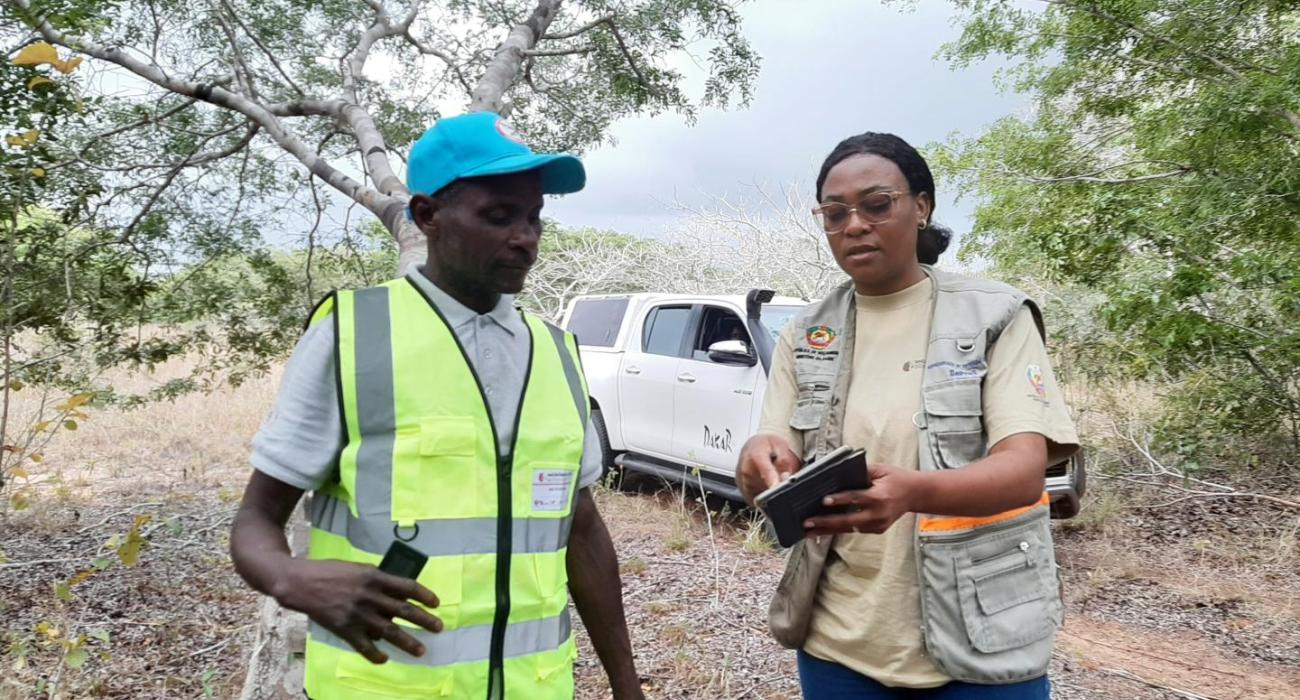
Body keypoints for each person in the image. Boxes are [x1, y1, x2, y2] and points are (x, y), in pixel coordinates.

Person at [230, 112, 644, 700]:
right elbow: (255, 522)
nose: (524, 237)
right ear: (428, 217)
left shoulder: (558, 353)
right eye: (498, 216)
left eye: (533, 218)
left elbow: (581, 530)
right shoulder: (353, 333)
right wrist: (289, 576)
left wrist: (626, 683)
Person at [736, 132, 1079, 699]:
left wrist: (912, 492)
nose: (854, 225)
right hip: (839, 647)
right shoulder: (807, 333)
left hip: (981, 644)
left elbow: (1023, 474)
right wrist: (758, 463)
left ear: (921, 207)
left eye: (876, 204)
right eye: (834, 212)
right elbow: (777, 457)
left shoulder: (994, 316)